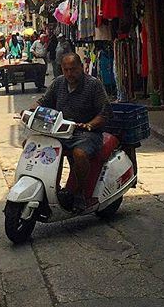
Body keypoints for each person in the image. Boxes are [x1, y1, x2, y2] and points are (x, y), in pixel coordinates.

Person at [35, 53, 112, 213]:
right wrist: (30, 110)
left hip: (87, 133)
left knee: (79, 154)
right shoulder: (58, 83)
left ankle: (80, 193)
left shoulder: (93, 85)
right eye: (66, 70)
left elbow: (104, 113)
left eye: (73, 69)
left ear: (81, 67)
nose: (69, 73)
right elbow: (43, 102)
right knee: (42, 149)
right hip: (62, 131)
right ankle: (51, 190)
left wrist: (90, 125)